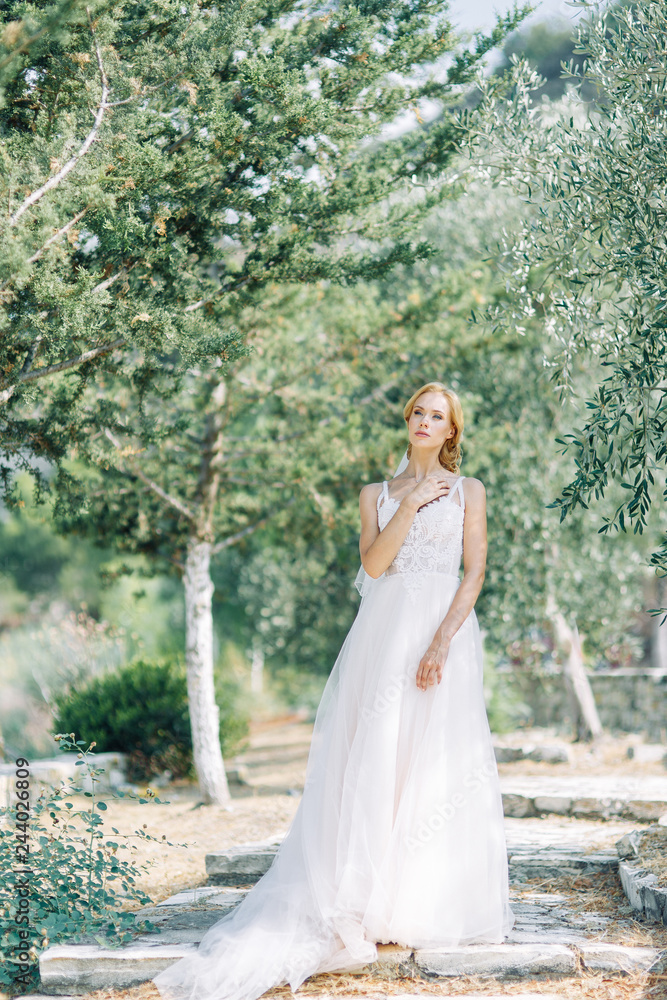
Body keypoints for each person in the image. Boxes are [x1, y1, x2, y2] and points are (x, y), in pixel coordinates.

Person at [154, 381, 514, 1000]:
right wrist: (410, 502)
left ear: (452, 431)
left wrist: (440, 644)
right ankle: (368, 901)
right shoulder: (374, 494)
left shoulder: (470, 491)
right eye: (419, 413)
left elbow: (474, 571)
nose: (426, 423)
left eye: (439, 417)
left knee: (433, 762)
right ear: (408, 421)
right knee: (377, 755)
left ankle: (421, 899)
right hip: (383, 634)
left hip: (442, 634)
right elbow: (373, 567)